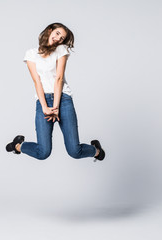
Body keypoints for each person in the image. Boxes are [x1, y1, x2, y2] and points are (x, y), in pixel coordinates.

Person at [6, 23, 105, 161]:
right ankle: (18, 146)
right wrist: (45, 107)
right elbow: (37, 82)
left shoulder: (61, 50)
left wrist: (56, 107)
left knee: (74, 151)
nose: (58, 38)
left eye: (62, 38)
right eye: (57, 33)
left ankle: (96, 150)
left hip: (63, 100)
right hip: (43, 102)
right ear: (50, 30)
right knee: (43, 152)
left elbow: (58, 79)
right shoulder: (31, 54)